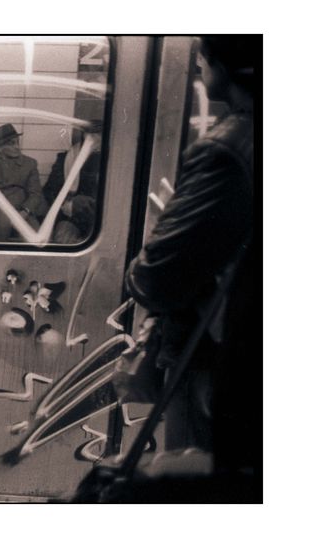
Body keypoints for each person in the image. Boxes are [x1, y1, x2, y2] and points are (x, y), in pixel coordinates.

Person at [124, 36, 258, 500]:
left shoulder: (229, 147)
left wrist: (159, 236)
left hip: (219, 361)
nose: (199, 62)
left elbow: (156, 275)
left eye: (205, 54)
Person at [0, 123, 45, 241]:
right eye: (11, 143)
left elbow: (35, 194)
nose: (17, 147)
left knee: (36, 234)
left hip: (22, 208)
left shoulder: (29, 163)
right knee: (4, 225)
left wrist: (24, 212)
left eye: (17, 142)